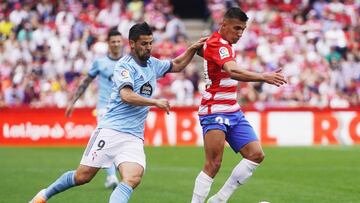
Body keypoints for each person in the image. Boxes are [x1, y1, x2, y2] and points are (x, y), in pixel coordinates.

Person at [29, 22, 206, 203]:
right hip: (111, 130)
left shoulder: (152, 64)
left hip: (133, 137)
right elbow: (126, 95)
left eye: (150, 43)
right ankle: (43, 195)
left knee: (133, 177)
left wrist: (192, 48)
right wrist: (154, 102)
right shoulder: (124, 66)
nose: (149, 47)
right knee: (82, 176)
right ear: (132, 44)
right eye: (144, 44)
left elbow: (176, 64)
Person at [190, 7, 287, 203]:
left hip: (233, 110)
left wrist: (200, 50)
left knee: (256, 154)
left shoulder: (220, 43)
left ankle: (219, 199)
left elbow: (211, 55)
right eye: (236, 28)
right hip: (214, 109)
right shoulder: (220, 44)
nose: (240, 33)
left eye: (242, 29)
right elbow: (233, 71)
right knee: (214, 164)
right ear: (223, 25)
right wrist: (263, 76)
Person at [65, 29, 123, 189]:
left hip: (123, 109)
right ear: (108, 43)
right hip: (104, 108)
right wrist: (73, 102)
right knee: (106, 141)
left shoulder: (127, 62)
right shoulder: (100, 62)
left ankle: (115, 175)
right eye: (113, 41)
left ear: (122, 42)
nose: (116, 44)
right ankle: (112, 176)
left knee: (117, 143)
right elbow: (86, 82)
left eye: (119, 41)